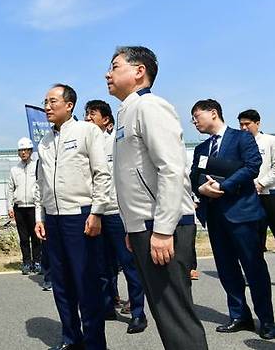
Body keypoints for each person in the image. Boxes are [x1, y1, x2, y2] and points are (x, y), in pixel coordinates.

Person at [106, 46, 208, 349]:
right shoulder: (128, 111)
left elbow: (172, 169)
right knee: (166, 314)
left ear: (139, 71)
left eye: (114, 66)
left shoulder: (150, 106)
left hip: (163, 227)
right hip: (144, 226)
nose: (107, 74)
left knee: (175, 316)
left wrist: (163, 229)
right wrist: (131, 226)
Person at [34, 84, 112, 350]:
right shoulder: (44, 142)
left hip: (80, 217)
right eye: (45, 101)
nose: (47, 106)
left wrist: (97, 212)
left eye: (52, 101)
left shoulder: (87, 131)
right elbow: (41, 184)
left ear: (69, 105)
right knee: (61, 283)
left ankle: (94, 344)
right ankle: (71, 338)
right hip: (53, 218)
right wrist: (40, 216)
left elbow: (102, 174)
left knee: (85, 282)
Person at [191, 99, 274, 339]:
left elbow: (252, 166)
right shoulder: (201, 149)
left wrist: (224, 186)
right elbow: (194, 176)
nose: (194, 122)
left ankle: (266, 320)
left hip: (243, 214)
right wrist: (201, 189)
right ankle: (239, 316)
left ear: (213, 113)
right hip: (216, 218)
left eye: (197, 116)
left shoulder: (241, 138)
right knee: (227, 270)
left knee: (254, 268)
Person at [84, 99, 147, 334]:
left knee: (129, 264)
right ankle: (108, 305)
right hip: (95, 214)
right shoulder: (85, 143)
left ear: (106, 120)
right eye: (86, 114)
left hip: (117, 214)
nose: (88, 117)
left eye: (93, 114)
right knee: (101, 266)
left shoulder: (115, 143)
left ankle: (138, 313)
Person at [238, 109, 275, 250]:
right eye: (241, 124)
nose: (243, 128)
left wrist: (261, 183)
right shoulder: (240, 143)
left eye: (247, 124)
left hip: (269, 193)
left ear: (257, 123)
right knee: (255, 237)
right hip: (249, 195)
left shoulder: (270, 141)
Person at [6, 137, 41, 275]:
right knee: (23, 237)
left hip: (34, 206)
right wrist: (10, 207)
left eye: (26, 150)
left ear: (31, 151)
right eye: (21, 150)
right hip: (19, 207)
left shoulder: (37, 166)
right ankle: (26, 262)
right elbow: (9, 188)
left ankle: (38, 261)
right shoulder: (15, 169)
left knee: (36, 236)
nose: (23, 153)